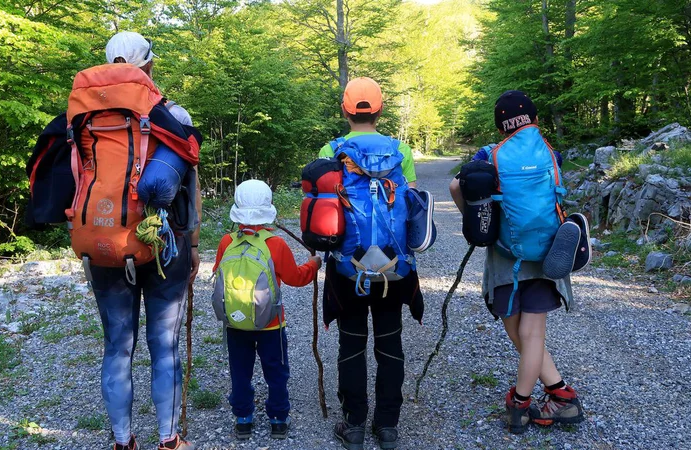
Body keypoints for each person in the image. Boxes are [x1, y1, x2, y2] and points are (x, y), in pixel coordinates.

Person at [449, 91, 585, 434]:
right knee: (532, 333)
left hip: (505, 256)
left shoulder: (490, 154)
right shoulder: (550, 151)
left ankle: (520, 404)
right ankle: (560, 398)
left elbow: (455, 185)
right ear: (534, 120)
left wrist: (476, 221)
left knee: (516, 331)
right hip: (548, 254)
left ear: (501, 125)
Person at [92, 31, 201, 450]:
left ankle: (122, 441)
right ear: (150, 67)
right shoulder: (174, 115)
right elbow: (189, 186)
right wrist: (192, 244)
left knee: (117, 347)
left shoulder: (85, 118)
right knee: (164, 346)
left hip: (104, 244)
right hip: (164, 244)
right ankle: (168, 440)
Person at [319, 77, 424, 450]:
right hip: (395, 267)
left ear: (345, 110)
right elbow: (411, 209)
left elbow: (322, 213)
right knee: (389, 341)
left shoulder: (332, 149)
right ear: (379, 110)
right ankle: (388, 426)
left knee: (351, 343)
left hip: (348, 267)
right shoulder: (402, 150)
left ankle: (355, 424)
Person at [212, 180, 321, 440]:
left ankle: (243, 419)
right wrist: (314, 264)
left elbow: (219, 273)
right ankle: (278, 420)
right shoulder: (275, 244)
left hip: (236, 324)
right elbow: (295, 278)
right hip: (271, 323)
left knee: (240, 371)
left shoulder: (227, 241)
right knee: (276, 371)